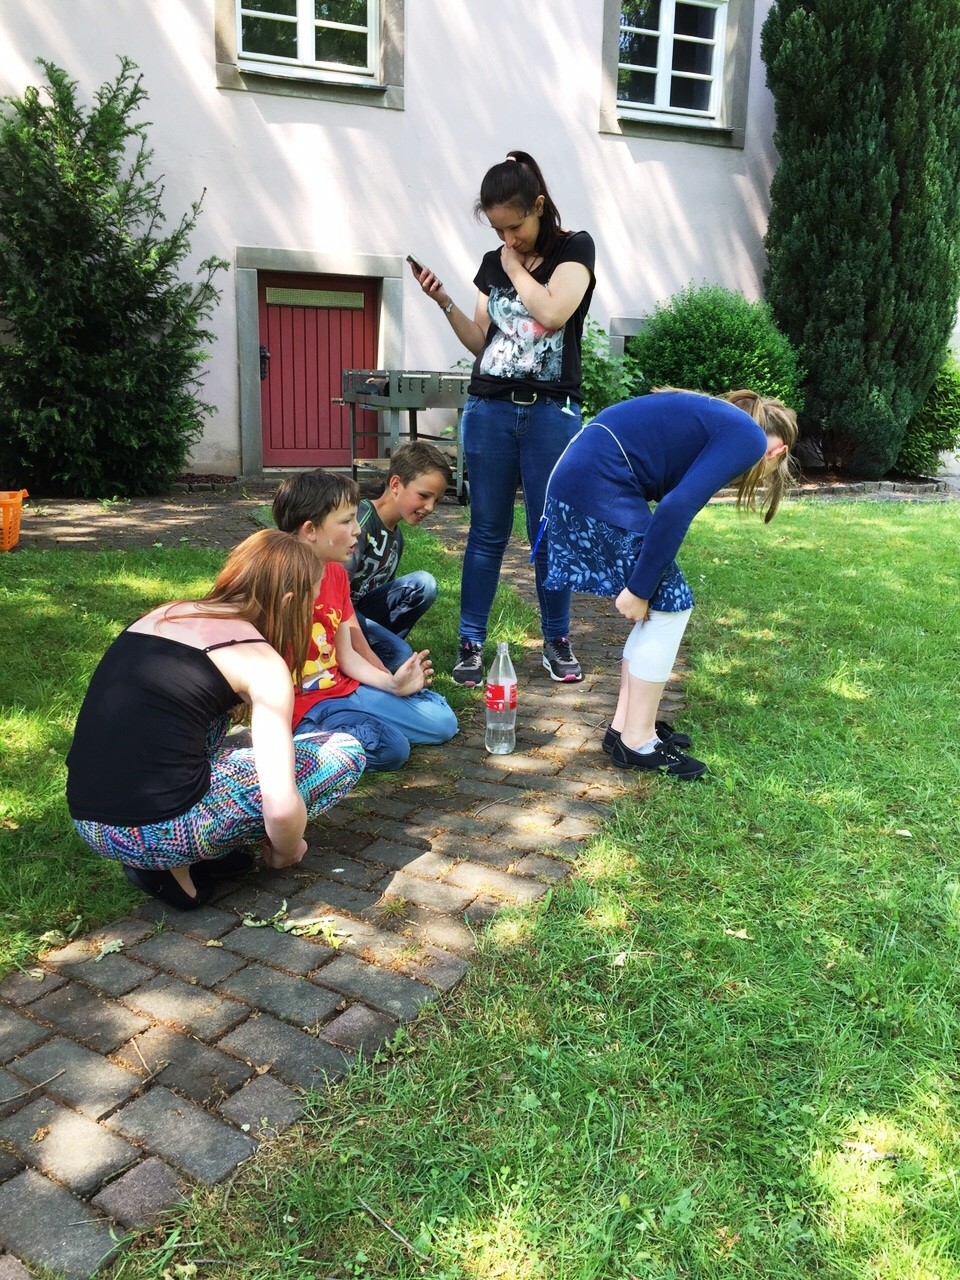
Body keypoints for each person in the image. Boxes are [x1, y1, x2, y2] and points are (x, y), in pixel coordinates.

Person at [66, 530, 366, 910]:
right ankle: (170, 864)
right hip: (158, 831)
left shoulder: (164, 615)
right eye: (313, 598)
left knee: (215, 730)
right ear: (290, 600)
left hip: (90, 821)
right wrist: (288, 849)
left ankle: (191, 864)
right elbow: (281, 806)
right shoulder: (260, 663)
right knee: (343, 750)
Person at [539, 388, 798, 780]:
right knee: (671, 605)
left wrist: (645, 587)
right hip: (595, 485)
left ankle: (623, 730)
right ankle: (638, 741)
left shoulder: (722, 423)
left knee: (665, 605)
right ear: (776, 451)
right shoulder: (748, 438)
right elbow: (676, 508)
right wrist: (640, 589)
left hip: (583, 481)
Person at [410, 149, 596, 687]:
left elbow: (554, 313)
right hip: (490, 409)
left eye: (514, 227)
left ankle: (556, 640)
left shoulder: (573, 249)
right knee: (486, 532)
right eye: (498, 231)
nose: (506, 240)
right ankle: (471, 643)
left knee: (548, 531)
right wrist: (445, 301)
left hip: (551, 415)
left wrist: (514, 267)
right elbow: (480, 341)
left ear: (539, 206)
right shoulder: (492, 262)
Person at [272, 469, 458, 771]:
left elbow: (345, 656)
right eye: (346, 521)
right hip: (306, 707)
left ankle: (357, 726)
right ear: (310, 530)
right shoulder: (274, 581)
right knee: (393, 749)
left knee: (443, 723)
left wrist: (391, 683)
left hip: (345, 688)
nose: (357, 530)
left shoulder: (334, 573)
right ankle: (305, 741)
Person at [345, 441, 452, 672]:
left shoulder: (397, 538)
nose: (430, 507)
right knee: (403, 657)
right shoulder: (360, 522)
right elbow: (334, 595)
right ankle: (383, 656)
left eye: (437, 500)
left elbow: (381, 596)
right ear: (395, 484)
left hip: (364, 616)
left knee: (424, 585)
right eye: (424, 495)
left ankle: (387, 652)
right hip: (342, 620)